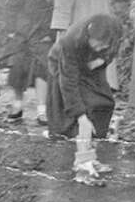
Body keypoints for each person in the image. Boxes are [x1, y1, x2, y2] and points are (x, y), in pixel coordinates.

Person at [48, 14, 123, 187]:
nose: (97, 46)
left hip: (92, 64)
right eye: (94, 42)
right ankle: (82, 164)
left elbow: (112, 49)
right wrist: (80, 116)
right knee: (85, 109)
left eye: (102, 44)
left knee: (104, 103)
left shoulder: (115, 30)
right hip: (64, 66)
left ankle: (91, 156)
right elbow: (69, 83)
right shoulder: (71, 41)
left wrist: (102, 59)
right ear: (88, 34)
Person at [2, 0, 54, 125]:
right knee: (18, 68)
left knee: (43, 69)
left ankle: (42, 111)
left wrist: (51, 35)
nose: (51, 0)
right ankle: (17, 106)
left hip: (42, 37)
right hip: (22, 35)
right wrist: (11, 29)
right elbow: (9, 5)